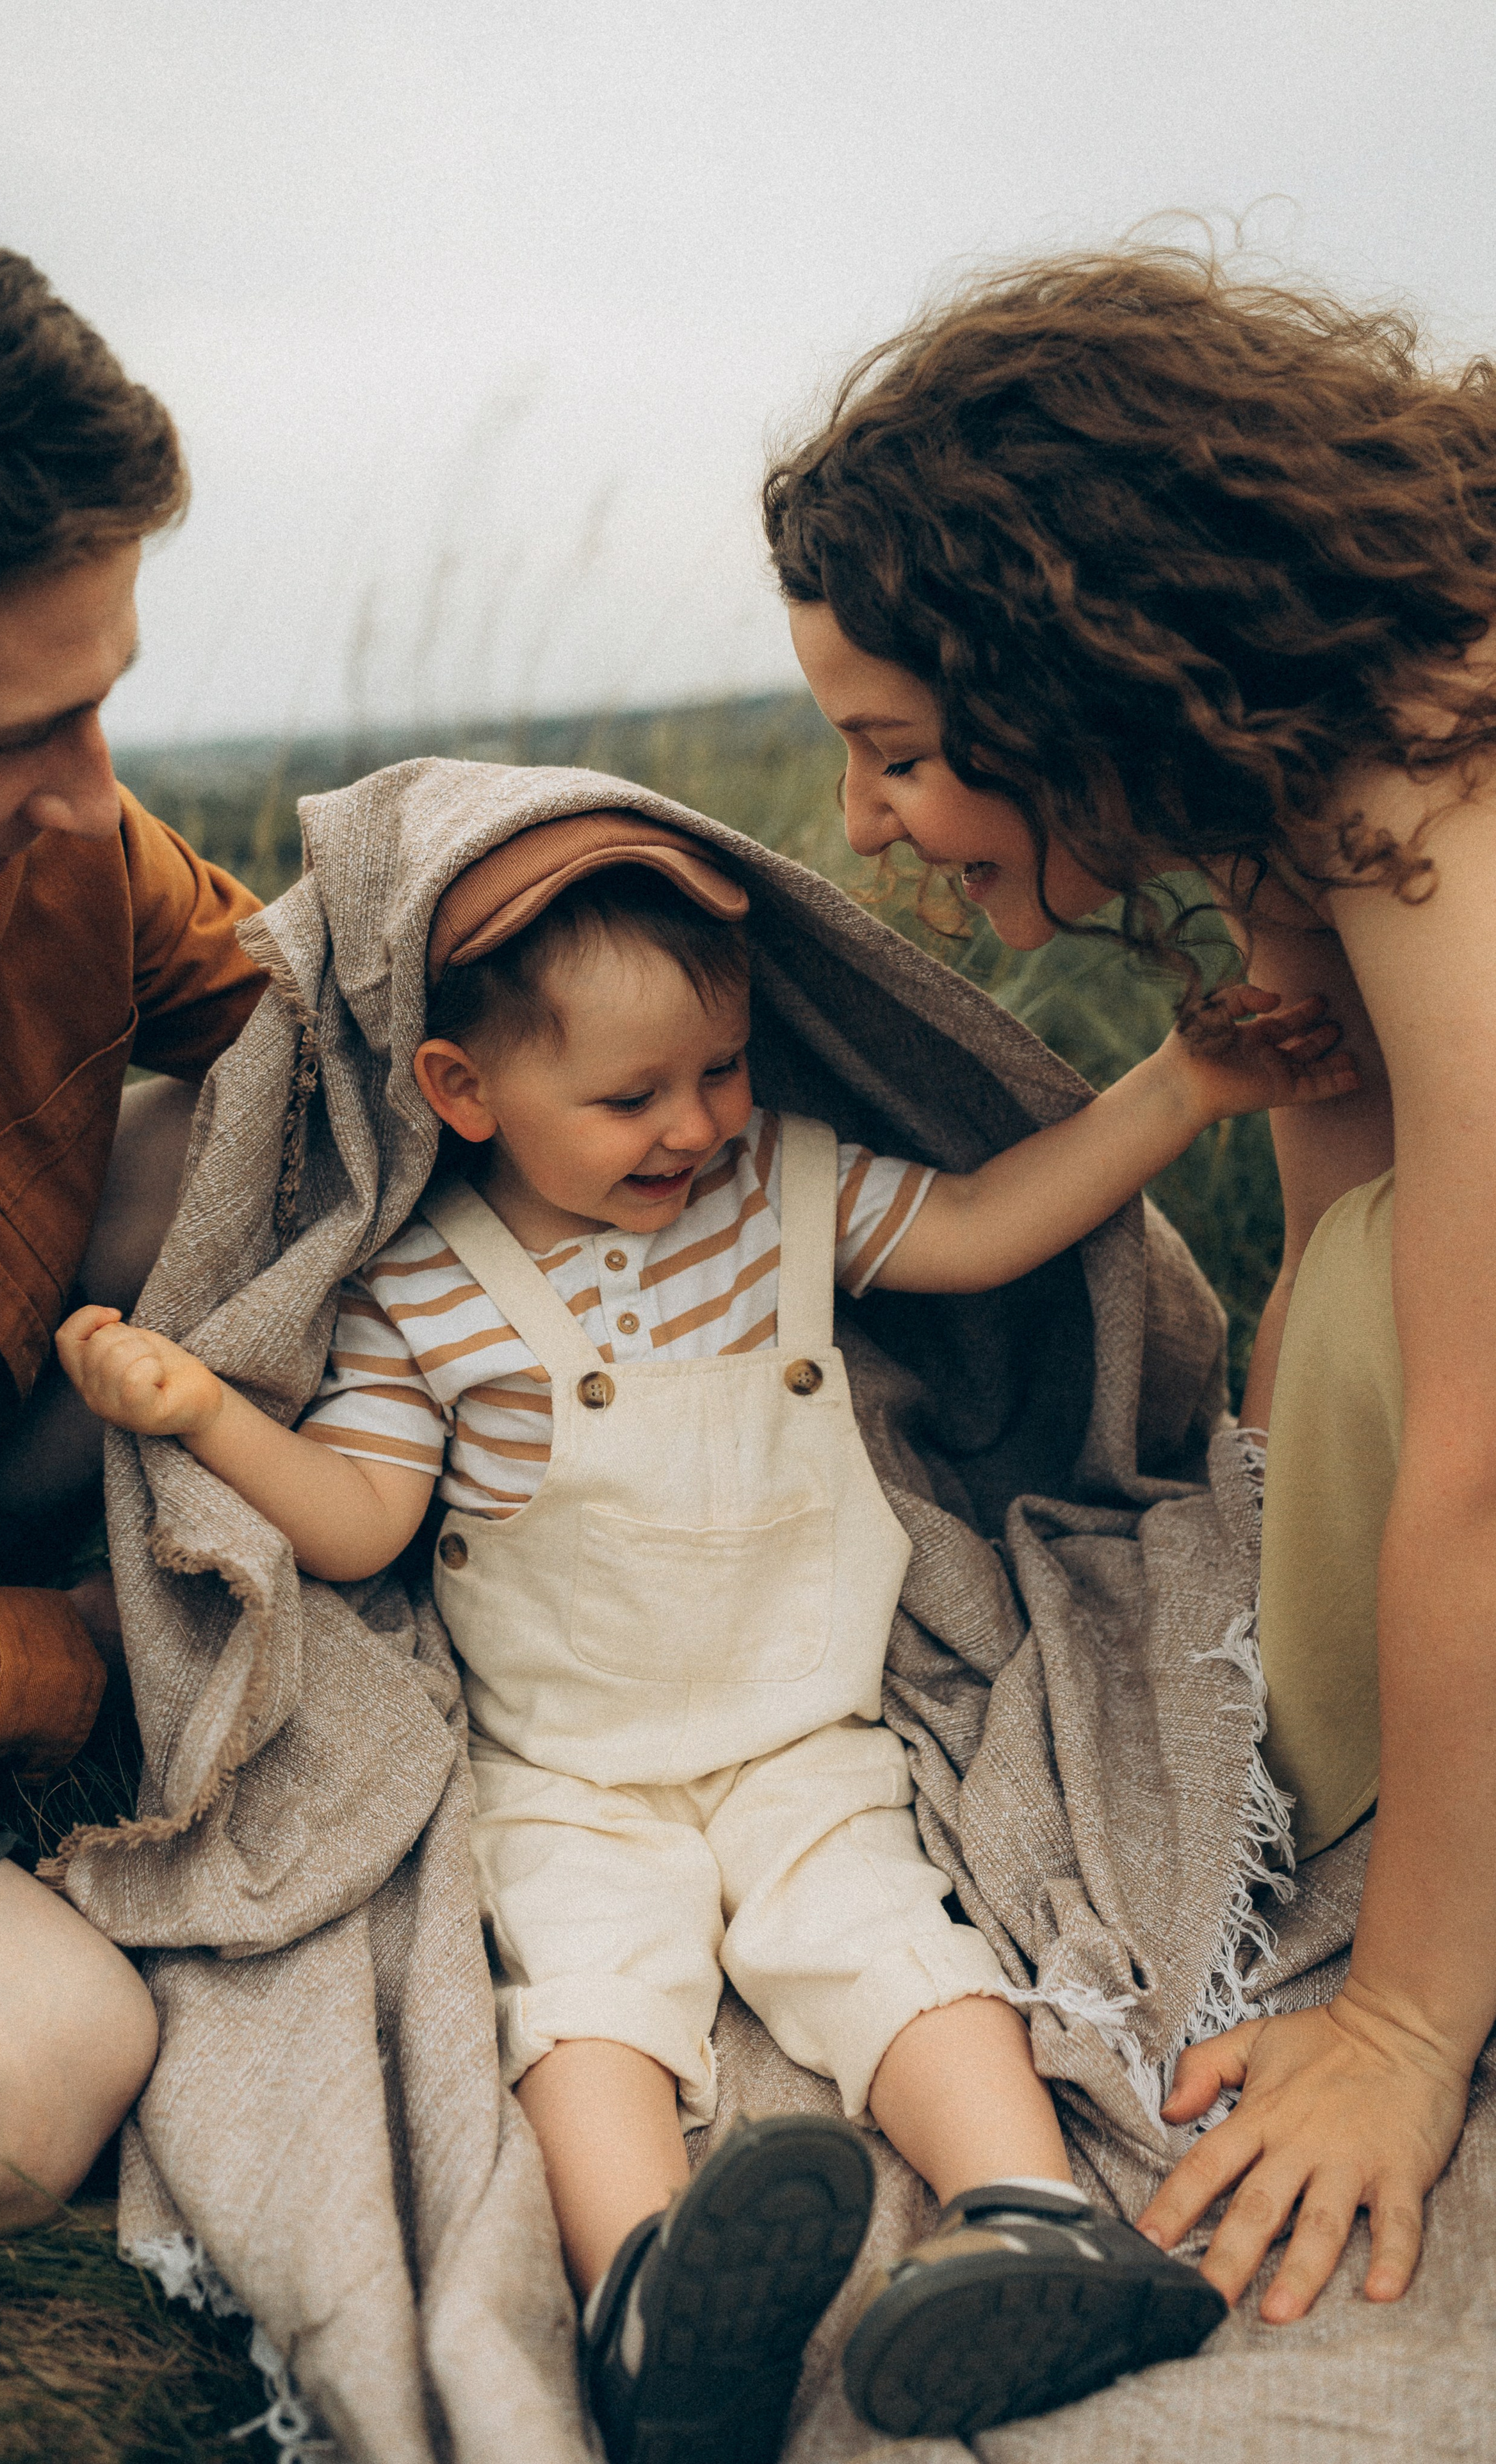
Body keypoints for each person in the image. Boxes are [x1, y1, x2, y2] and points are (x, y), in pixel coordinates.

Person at [58, 813, 1351, 2452]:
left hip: (803, 1724)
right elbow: (361, 1522)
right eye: (628, 1099)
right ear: (460, 1092)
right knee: (589, 1990)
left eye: (720, 1071)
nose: (691, 1126)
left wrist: (1177, 1087)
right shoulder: (425, 1293)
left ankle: (1030, 2215)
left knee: (888, 1939)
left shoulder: (777, 1193)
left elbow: (981, 1228)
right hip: (568, 1761)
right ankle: (647, 2291)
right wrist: (205, 1417)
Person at [765, 241, 1496, 2333]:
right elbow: (1320, 1330)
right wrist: (1249, 1678)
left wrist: (1410, 2016)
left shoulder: (1426, 786)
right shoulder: (1290, 778)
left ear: (1050, 673)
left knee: (1382, 1296)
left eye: (896, 747)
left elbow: (1472, 1436)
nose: (865, 820)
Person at [0, 195, 266, 2233]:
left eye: (102, 702)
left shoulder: (59, 845)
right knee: (35, 2090)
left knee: (256, 1130)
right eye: (21, 733)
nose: (98, 793)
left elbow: (324, 1018)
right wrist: (81, 1667)